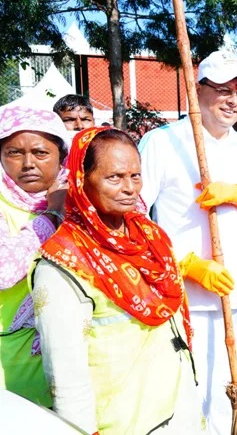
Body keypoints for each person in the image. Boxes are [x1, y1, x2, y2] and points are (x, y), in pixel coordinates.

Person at [138, 50, 237, 435]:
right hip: (188, 295)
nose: (233, 101)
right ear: (196, 89)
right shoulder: (163, 142)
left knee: (229, 390)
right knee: (188, 394)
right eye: (223, 90)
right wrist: (185, 263)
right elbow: (136, 218)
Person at [31, 128, 206, 434]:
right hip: (124, 421)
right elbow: (66, 373)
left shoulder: (151, 238)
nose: (129, 188)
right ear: (81, 180)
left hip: (180, 409)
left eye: (135, 176)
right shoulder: (65, 262)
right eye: (114, 177)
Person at [0, 106, 69, 406]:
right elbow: (3, 271)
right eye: (14, 153)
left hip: (74, 354)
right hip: (11, 359)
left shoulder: (83, 200)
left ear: (61, 156)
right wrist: (52, 216)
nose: (28, 164)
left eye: (41, 153)